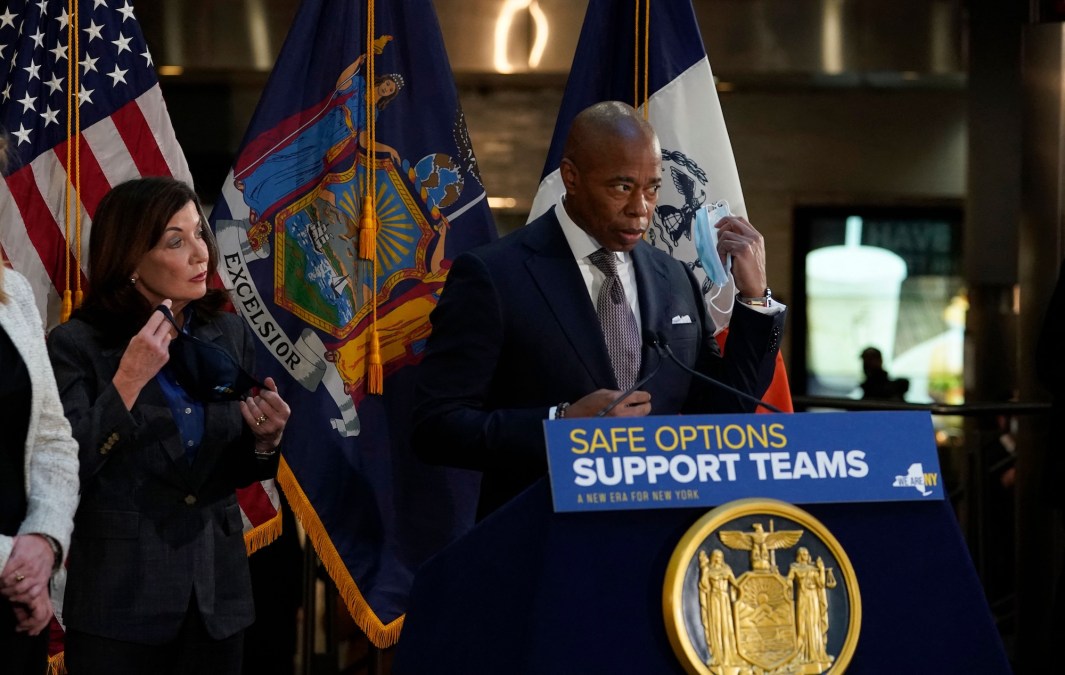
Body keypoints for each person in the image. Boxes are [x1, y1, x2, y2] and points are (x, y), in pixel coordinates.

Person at [412, 101, 786, 518]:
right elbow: (435, 427)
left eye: (652, 189)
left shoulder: (674, 278)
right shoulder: (494, 275)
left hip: (657, 531)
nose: (640, 209)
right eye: (622, 187)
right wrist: (559, 426)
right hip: (541, 532)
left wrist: (755, 299)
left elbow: (724, 410)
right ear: (571, 177)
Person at [46, 177, 291, 675]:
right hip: (120, 604)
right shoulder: (77, 345)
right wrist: (128, 382)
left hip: (217, 600)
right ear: (131, 260)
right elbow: (67, 468)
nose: (201, 253)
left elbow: (225, 470)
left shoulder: (228, 332)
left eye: (199, 233)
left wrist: (264, 443)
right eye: (176, 242)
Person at [0, 131, 81, 675]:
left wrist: (44, 540)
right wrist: (10, 560)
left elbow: (53, 439)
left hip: (16, 603)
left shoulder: (15, 295)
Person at [786, 547, 833, 665]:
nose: (805, 556)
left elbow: (821, 583)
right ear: (799, 556)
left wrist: (821, 569)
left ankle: (815, 651)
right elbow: (788, 580)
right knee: (802, 624)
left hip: (813, 598)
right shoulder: (795, 568)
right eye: (803, 554)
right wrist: (788, 585)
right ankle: (802, 651)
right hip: (802, 598)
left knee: (814, 623)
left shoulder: (813, 569)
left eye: (806, 554)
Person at [698, 550, 739, 667]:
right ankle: (718, 655)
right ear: (712, 557)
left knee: (726, 625)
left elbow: (735, 583)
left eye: (720, 556)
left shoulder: (726, 569)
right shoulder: (709, 570)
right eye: (716, 556)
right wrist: (704, 570)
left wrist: (738, 591)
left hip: (724, 599)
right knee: (717, 626)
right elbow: (705, 586)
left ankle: (728, 655)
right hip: (714, 599)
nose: (718, 559)